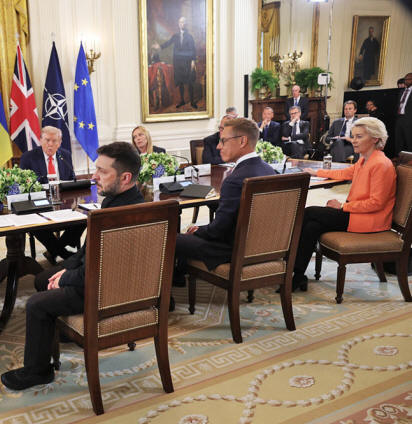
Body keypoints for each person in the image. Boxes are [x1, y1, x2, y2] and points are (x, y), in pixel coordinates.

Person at [0, 141, 144, 390]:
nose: (94, 176)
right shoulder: (123, 201)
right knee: (42, 278)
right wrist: (66, 269)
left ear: (125, 177)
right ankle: (63, 330)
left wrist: (66, 278)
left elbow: (97, 271)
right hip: (102, 276)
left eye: (102, 171)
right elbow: (88, 252)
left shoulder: (117, 216)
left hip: (107, 291)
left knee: (36, 304)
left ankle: (38, 371)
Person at [293, 117, 396, 291]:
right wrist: (316, 172)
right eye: (353, 136)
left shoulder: (381, 164)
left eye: (359, 137)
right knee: (312, 226)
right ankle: (297, 275)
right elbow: (345, 173)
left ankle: (287, 265)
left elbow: (376, 203)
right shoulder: (365, 160)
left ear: (375, 139)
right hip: (357, 214)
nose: (353, 140)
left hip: (370, 220)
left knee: (309, 212)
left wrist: (342, 206)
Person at [174, 118, 276, 282]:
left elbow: (218, 230)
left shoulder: (234, 180)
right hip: (263, 246)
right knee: (193, 234)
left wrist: (199, 230)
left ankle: (171, 286)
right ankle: (180, 275)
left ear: (242, 141)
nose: (218, 146)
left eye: (223, 141)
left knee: (171, 238)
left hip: (232, 250)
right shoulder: (269, 170)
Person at [20, 126, 84, 263]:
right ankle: (65, 254)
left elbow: (71, 179)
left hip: (63, 202)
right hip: (39, 203)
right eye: (47, 140)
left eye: (54, 141)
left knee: (83, 217)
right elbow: (23, 185)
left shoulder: (65, 155)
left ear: (59, 142)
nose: (50, 144)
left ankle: (53, 251)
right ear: (40, 140)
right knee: (35, 224)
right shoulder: (28, 157)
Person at [153, 16, 197, 109]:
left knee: (190, 82)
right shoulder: (175, 36)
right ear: (178, 24)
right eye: (180, 22)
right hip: (178, 62)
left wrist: (193, 61)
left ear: (186, 24)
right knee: (180, 82)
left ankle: (192, 101)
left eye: (184, 22)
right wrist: (159, 47)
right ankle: (182, 100)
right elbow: (168, 43)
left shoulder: (190, 37)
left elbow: (193, 50)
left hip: (187, 62)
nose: (182, 24)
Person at [395, 72, 412, 155]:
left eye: (408, 79)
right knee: (398, 139)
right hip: (400, 118)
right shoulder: (402, 91)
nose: (406, 81)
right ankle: (399, 157)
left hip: (409, 119)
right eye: (405, 79)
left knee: (409, 140)